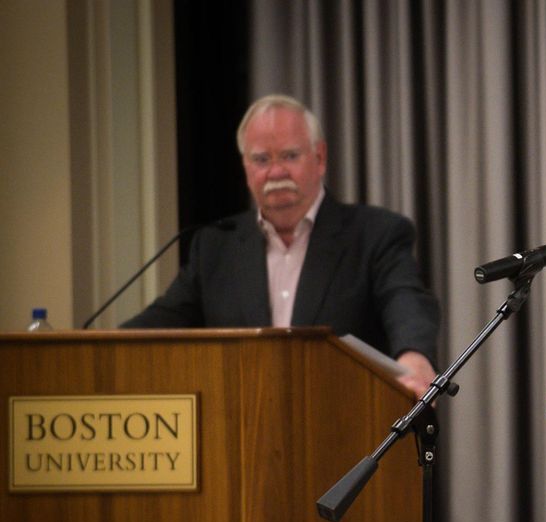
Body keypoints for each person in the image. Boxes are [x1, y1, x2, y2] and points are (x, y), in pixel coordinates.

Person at [122, 94, 440, 396]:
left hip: (348, 427)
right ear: (246, 168)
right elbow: (162, 321)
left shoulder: (375, 234)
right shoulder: (216, 246)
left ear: (319, 158)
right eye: (261, 159)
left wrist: (413, 357)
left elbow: (404, 301)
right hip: (244, 433)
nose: (276, 171)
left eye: (289, 156)